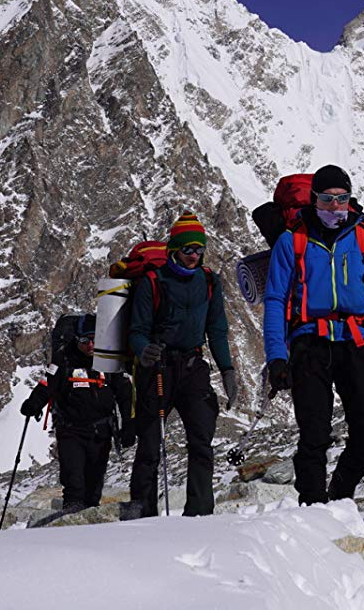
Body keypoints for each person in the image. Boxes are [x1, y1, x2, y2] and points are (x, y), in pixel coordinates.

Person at [262, 165, 364, 505]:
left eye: (342, 199)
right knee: (314, 433)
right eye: (327, 199)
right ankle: (312, 509)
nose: (335, 207)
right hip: (308, 343)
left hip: (353, 341)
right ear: (314, 199)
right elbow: (276, 299)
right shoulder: (291, 239)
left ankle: (340, 492)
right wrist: (277, 356)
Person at [128, 211, 238, 516]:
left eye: (199, 249)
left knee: (201, 439)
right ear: (174, 249)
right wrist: (143, 350)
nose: (193, 255)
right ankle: (142, 510)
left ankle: (200, 512)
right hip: (158, 367)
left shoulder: (209, 282)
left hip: (192, 367)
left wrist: (227, 369)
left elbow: (216, 330)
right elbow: (136, 330)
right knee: (151, 444)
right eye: (188, 249)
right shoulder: (152, 282)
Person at [21, 316, 134, 513]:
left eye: (94, 340)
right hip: (71, 431)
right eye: (84, 341)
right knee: (74, 483)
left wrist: (129, 425)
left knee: (94, 487)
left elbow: (124, 394)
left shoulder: (108, 361)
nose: (90, 345)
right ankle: (72, 521)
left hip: (102, 432)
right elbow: (47, 384)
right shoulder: (64, 360)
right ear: (76, 340)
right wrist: (33, 404)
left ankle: (88, 529)